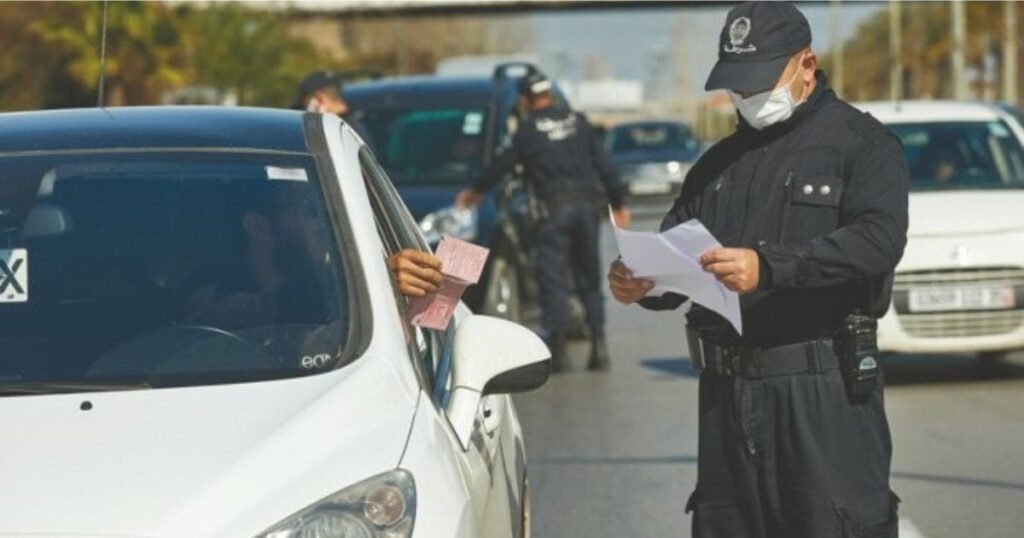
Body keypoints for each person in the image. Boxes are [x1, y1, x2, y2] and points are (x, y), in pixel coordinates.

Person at [608, 3, 909, 537]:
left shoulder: (862, 145)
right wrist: (641, 281)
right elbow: (676, 247)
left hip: (821, 391)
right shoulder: (716, 165)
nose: (746, 97)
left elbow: (877, 242)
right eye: (736, 85)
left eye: (757, 82)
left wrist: (768, 267)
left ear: (806, 66)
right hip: (726, 398)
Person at [455, 73, 630, 372]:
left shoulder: (528, 131)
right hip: (587, 210)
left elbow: (502, 164)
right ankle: (599, 347)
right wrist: (619, 203)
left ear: (525, 100)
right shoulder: (578, 122)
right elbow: (605, 165)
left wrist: (476, 190)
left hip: (553, 212)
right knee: (589, 276)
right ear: (549, 94)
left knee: (553, 279)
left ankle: (559, 352)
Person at [186, 182, 443, 330]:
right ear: (258, 227)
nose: (325, 222)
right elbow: (274, 308)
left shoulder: (323, 289)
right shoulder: (211, 303)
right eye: (310, 209)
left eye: (324, 209)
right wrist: (371, 280)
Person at [292, 70, 374, 147]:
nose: (305, 110)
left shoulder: (337, 133)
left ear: (319, 100)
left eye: (305, 105)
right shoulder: (353, 129)